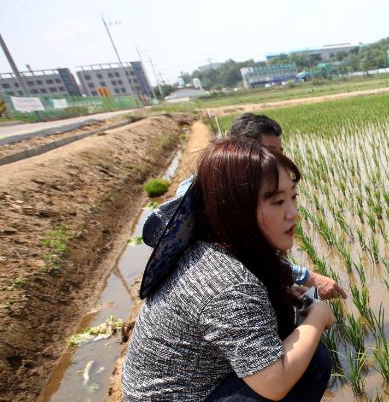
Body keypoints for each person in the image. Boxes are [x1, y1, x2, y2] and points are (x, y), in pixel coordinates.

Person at [122, 139, 337, 402]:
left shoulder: (220, 247)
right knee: (312, 358)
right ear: (235, 210)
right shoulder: (228, 282)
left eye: (293, 198)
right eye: (276, 202)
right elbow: (275, 380)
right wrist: (317, 320)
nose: (294, 214)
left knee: (288, 319)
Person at [142, 112, 345, 299]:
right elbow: (245, 258)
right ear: (245, 152)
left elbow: (256, 256)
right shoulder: (211, 199)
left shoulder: (250, 193)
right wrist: (313, 310)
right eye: (269, 152)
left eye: (280, 152)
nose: (277, 161)